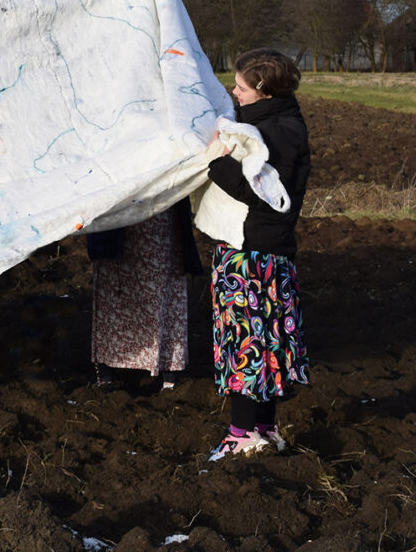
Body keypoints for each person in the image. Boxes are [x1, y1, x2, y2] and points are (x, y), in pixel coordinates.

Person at [204, 48, 311, 461]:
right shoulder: (276, 123)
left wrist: (219, 162)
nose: (235, 92)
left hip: (254, 256)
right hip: (265, 253)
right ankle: (264, 430)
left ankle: (241, 435)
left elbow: (263, 193)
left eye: (242, 87)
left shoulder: (280, 133)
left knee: (247, 343)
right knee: (264, 343)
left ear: (263, 91)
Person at [86, 199, 199, 392]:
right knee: (114, 288)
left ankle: (168, 368)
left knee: (161, 286)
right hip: (118, 210)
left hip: (160, 213)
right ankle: (107, 368)